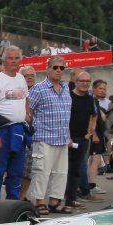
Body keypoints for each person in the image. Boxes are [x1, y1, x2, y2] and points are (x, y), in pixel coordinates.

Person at [25, 56, 72, 213]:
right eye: (55, 67)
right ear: (48, 68)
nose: (58, 70)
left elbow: (67, 114)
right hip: (44, 137)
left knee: (61, 172)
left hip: (62, 137)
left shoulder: (66, 88)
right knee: (41, 171)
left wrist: (68, 136)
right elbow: (28, 110)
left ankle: (54, 201)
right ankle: (39, 202)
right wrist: (30, 129)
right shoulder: (38, 89)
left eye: (62, 68)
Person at [0, 45, 30, 201]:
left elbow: (26, 98)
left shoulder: (21, 78)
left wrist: (27, 114)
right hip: (3, 130)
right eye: (10, 58)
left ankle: (13, 204)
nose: (14, 61)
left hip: (19, 131)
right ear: (4, 60)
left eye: (17, 58)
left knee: (16, 171)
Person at [64, 70, 100, 208]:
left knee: (77, 170)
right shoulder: (68, 96)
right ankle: (60, 197)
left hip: (82, 139)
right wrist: (67, 136)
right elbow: (63, 117)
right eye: (82, 81)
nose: (85, 84)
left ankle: (71, 198)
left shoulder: (90, 99)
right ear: (76, 82)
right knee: (63, 169)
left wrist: (90, 132)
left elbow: (94, 115)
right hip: (67, 138)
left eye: (87, 81)